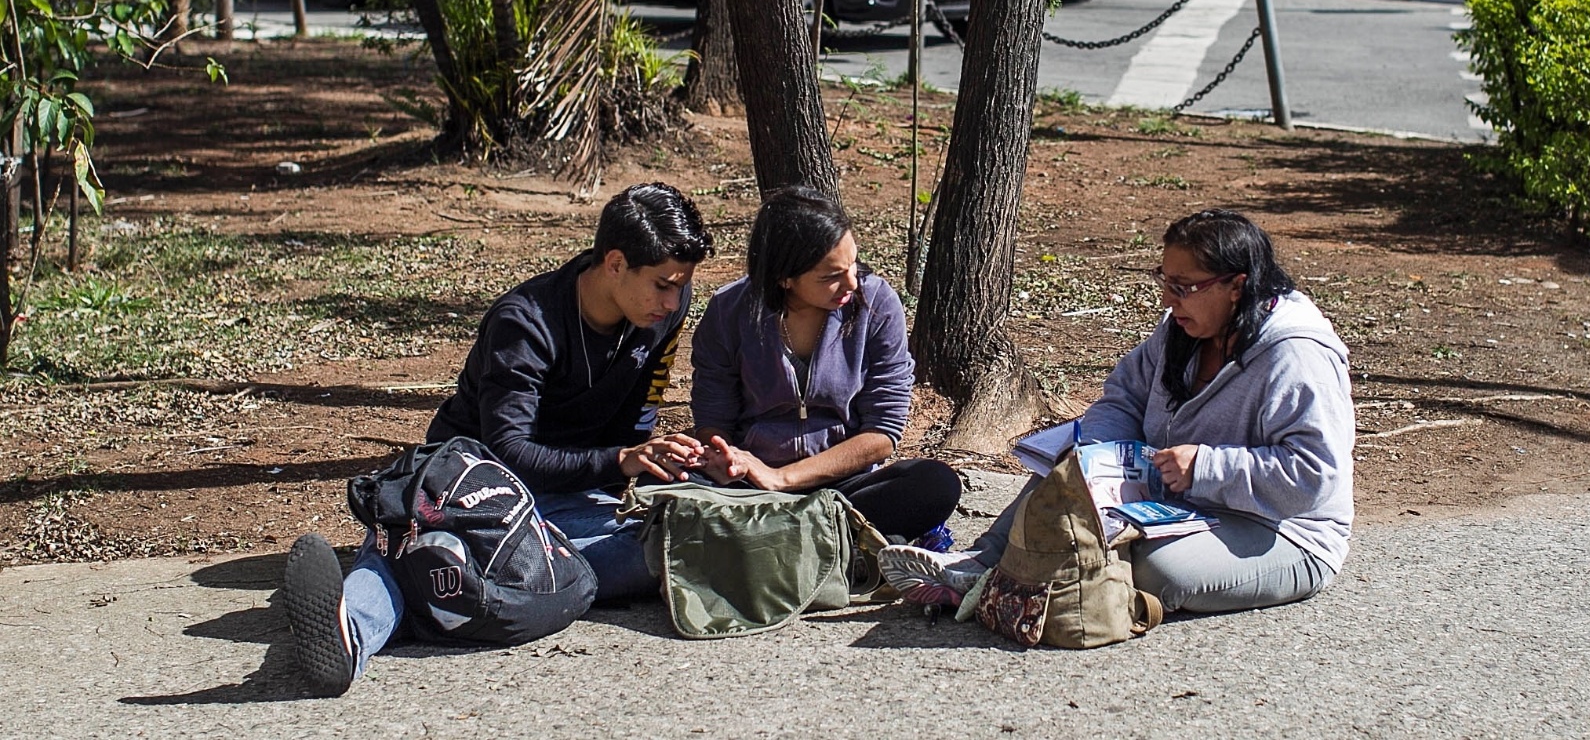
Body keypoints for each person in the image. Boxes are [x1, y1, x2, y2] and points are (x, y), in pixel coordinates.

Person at [281, 182, 716, 696]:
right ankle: (349, 630)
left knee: (669, 543)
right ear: (615, 263)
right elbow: (510, 452)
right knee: (417, 548)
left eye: (680, 285)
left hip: (571, 494)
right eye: (663, 284)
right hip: (472, 486)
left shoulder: (666, 309)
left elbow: (639, 408)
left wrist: (650, 465)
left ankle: (461, 576)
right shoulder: (525, 323)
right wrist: (621, 460)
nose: (673, 300)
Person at [880, 209, 1354, 616]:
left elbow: (1314, 479)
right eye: (1165, 281)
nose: (1168, 300)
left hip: (1284, 532)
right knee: (1067, 464)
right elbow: (1123, 399)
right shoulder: (1182, 328)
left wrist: (1206, 468)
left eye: (1184, 286)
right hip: (1180, 504)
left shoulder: (1296, 356)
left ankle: (1026, 580)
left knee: (1161, 570)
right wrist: (1095, 454)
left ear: (1237, 287)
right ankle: (977, 566)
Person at [689, 186, 960, 544]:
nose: (850, 283)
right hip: (749, 487)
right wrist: (729, 458)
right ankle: (830, 542)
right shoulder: (729, 310)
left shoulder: (876, 303)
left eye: (853, 265)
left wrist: (783, 478)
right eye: (830, 275)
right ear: (784, 277)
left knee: (934, 484)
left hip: (844, 488)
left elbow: (882, 434)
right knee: (664, 481)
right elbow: (713, 420)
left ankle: (771, 540)